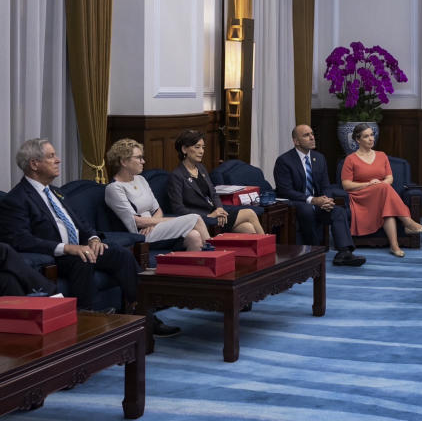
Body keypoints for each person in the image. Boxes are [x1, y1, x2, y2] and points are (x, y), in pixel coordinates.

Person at [0, 140, 141, 313]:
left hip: (80, 248)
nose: (58, 160)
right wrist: (67, 248)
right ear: (34, 164)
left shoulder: (56, 192)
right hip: (56, 255)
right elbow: (21, 240)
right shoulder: (17, 199)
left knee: (121, 254)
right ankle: (86, 316)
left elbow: (81, 223)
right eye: (51, 156)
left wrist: (93, 238)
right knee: (82, 258)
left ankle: (143, 311)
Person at [274, 125, 365, 266]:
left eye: (312, 133)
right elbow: (285, 190)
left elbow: (325, 186)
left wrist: (326, 200)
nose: (312, 137)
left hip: (318, 202)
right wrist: (312, 200)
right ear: (296, 141)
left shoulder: (319, 158)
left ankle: (344, 253)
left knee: (338, 211)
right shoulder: (284, 161)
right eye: (306, 135)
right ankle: (314, 251)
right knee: (306, 209)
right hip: (296, 202)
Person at [104, 138, 212, 251]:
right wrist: (166, 221)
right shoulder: (114, 188)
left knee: (194, 236)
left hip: (152, 228)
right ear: (124, 162)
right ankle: (215, 256)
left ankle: (196, 267)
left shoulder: (140, 179)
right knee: (195, 218)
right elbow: (136, 221)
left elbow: (157, 209)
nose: (143, 161)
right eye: (138, 158)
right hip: (140, 235)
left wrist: (152, 224)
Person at [340, 123, 422, 258]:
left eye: (372, 135)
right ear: (358, 140)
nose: (371, 139)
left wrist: (379, 185)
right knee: (384, 189)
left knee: (387, 203)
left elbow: (389, 179)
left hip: (381, 193)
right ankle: (408, 222)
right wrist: (368, 184)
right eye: (366, 136)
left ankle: (394, 246)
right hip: (361, 197)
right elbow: (346, 185)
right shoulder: (350, 159)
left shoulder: (382, 155)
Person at [166, 130, 264, 235]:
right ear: (184, 149)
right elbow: (178, 209)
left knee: (248, 228)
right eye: (197, 147)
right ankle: (269, 248)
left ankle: (260, 249)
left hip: (215, 213)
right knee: (250, 213)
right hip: (202, 219)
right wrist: (208, 216)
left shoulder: (200, 168)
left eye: (203, 147)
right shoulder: (177, 176)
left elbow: (213, 192)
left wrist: (220, 209)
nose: (201, 151)